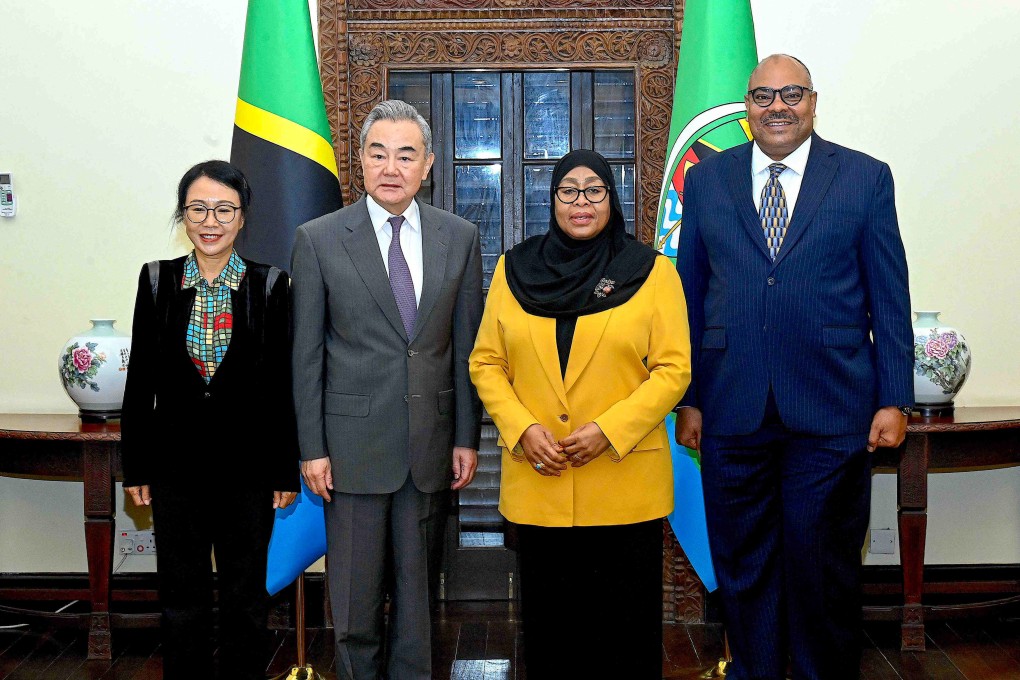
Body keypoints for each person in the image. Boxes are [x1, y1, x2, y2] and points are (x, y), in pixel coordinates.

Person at [675, 54, 914, 679]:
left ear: (813, 101)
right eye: (762, 96)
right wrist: (690, 398)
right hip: (732, 407)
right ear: (747, 106)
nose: (776, 106)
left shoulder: (865, 178)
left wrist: (895, 397)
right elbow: (691, 296)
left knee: (822, 566)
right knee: (744, 567)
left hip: (833, 407)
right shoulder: (706, 181)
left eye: (791, 94)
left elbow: (889, 294)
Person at [469, 149, 692, 679]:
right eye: (568, 191)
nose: (581, 202)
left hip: (624, 481)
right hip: (540, 479)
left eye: (595, 190)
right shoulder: (513, 269)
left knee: (625, 636)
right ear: (552, 201)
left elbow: (673, 370)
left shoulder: (651, 272)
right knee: (551, 637)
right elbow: (486, 362)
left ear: (612, 200)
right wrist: (521, 428)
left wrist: (609, 431)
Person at [291, 99, 483, 680]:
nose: (391, 167)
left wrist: (467, 437)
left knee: (419, 607)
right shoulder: (319, 239)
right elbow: (305, 354)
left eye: (406, 154)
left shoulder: (461, 237)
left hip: (431, 446)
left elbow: (465, 347)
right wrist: (311, 447)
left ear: (428, 165)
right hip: (349, 451)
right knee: (353, 607)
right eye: (379, 153)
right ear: (361, 162)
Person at [120, 160, 299, 680]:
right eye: (197, 208)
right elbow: (140, 383)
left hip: (249, 470)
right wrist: (138, 468)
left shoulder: (271, 286)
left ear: (242, 218)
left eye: (224, 208)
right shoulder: (157, 281)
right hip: (176, 470)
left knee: (246, 596)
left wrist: (284, 470)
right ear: (183, 215)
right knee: (181, 595)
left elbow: (281, 385)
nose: (210, 220)